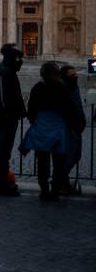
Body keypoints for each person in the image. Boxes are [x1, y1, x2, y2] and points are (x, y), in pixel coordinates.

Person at [21, 62, 74, 201]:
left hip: (42, 127)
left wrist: (35, 122)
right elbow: (69, 109)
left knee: (42, 162)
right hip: (58, 129)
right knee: (59, 162)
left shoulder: (38, 88)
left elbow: (31, 109)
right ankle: (55, 190)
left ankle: (44, 189)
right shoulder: (63, 88)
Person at [0, 43, 25, 196]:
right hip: (6, 118)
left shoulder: (7, 69)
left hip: (8, 116)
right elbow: (5, 98)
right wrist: (9, 114)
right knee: (3, 152)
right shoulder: (5, 71)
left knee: (5, 151)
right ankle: (0, 185)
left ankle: (1, 182)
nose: (20, 61)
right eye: (18, 57)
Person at [60, 65, 86, 195]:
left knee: (76, 155)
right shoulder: (63, 88)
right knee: (69, 156)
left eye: (76, 74)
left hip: (76, 125)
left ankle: (61, 182)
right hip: (68, 127)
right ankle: (60, 183)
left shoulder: (75, 86)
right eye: (72, 74)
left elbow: (78, 105)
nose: (75, 76)